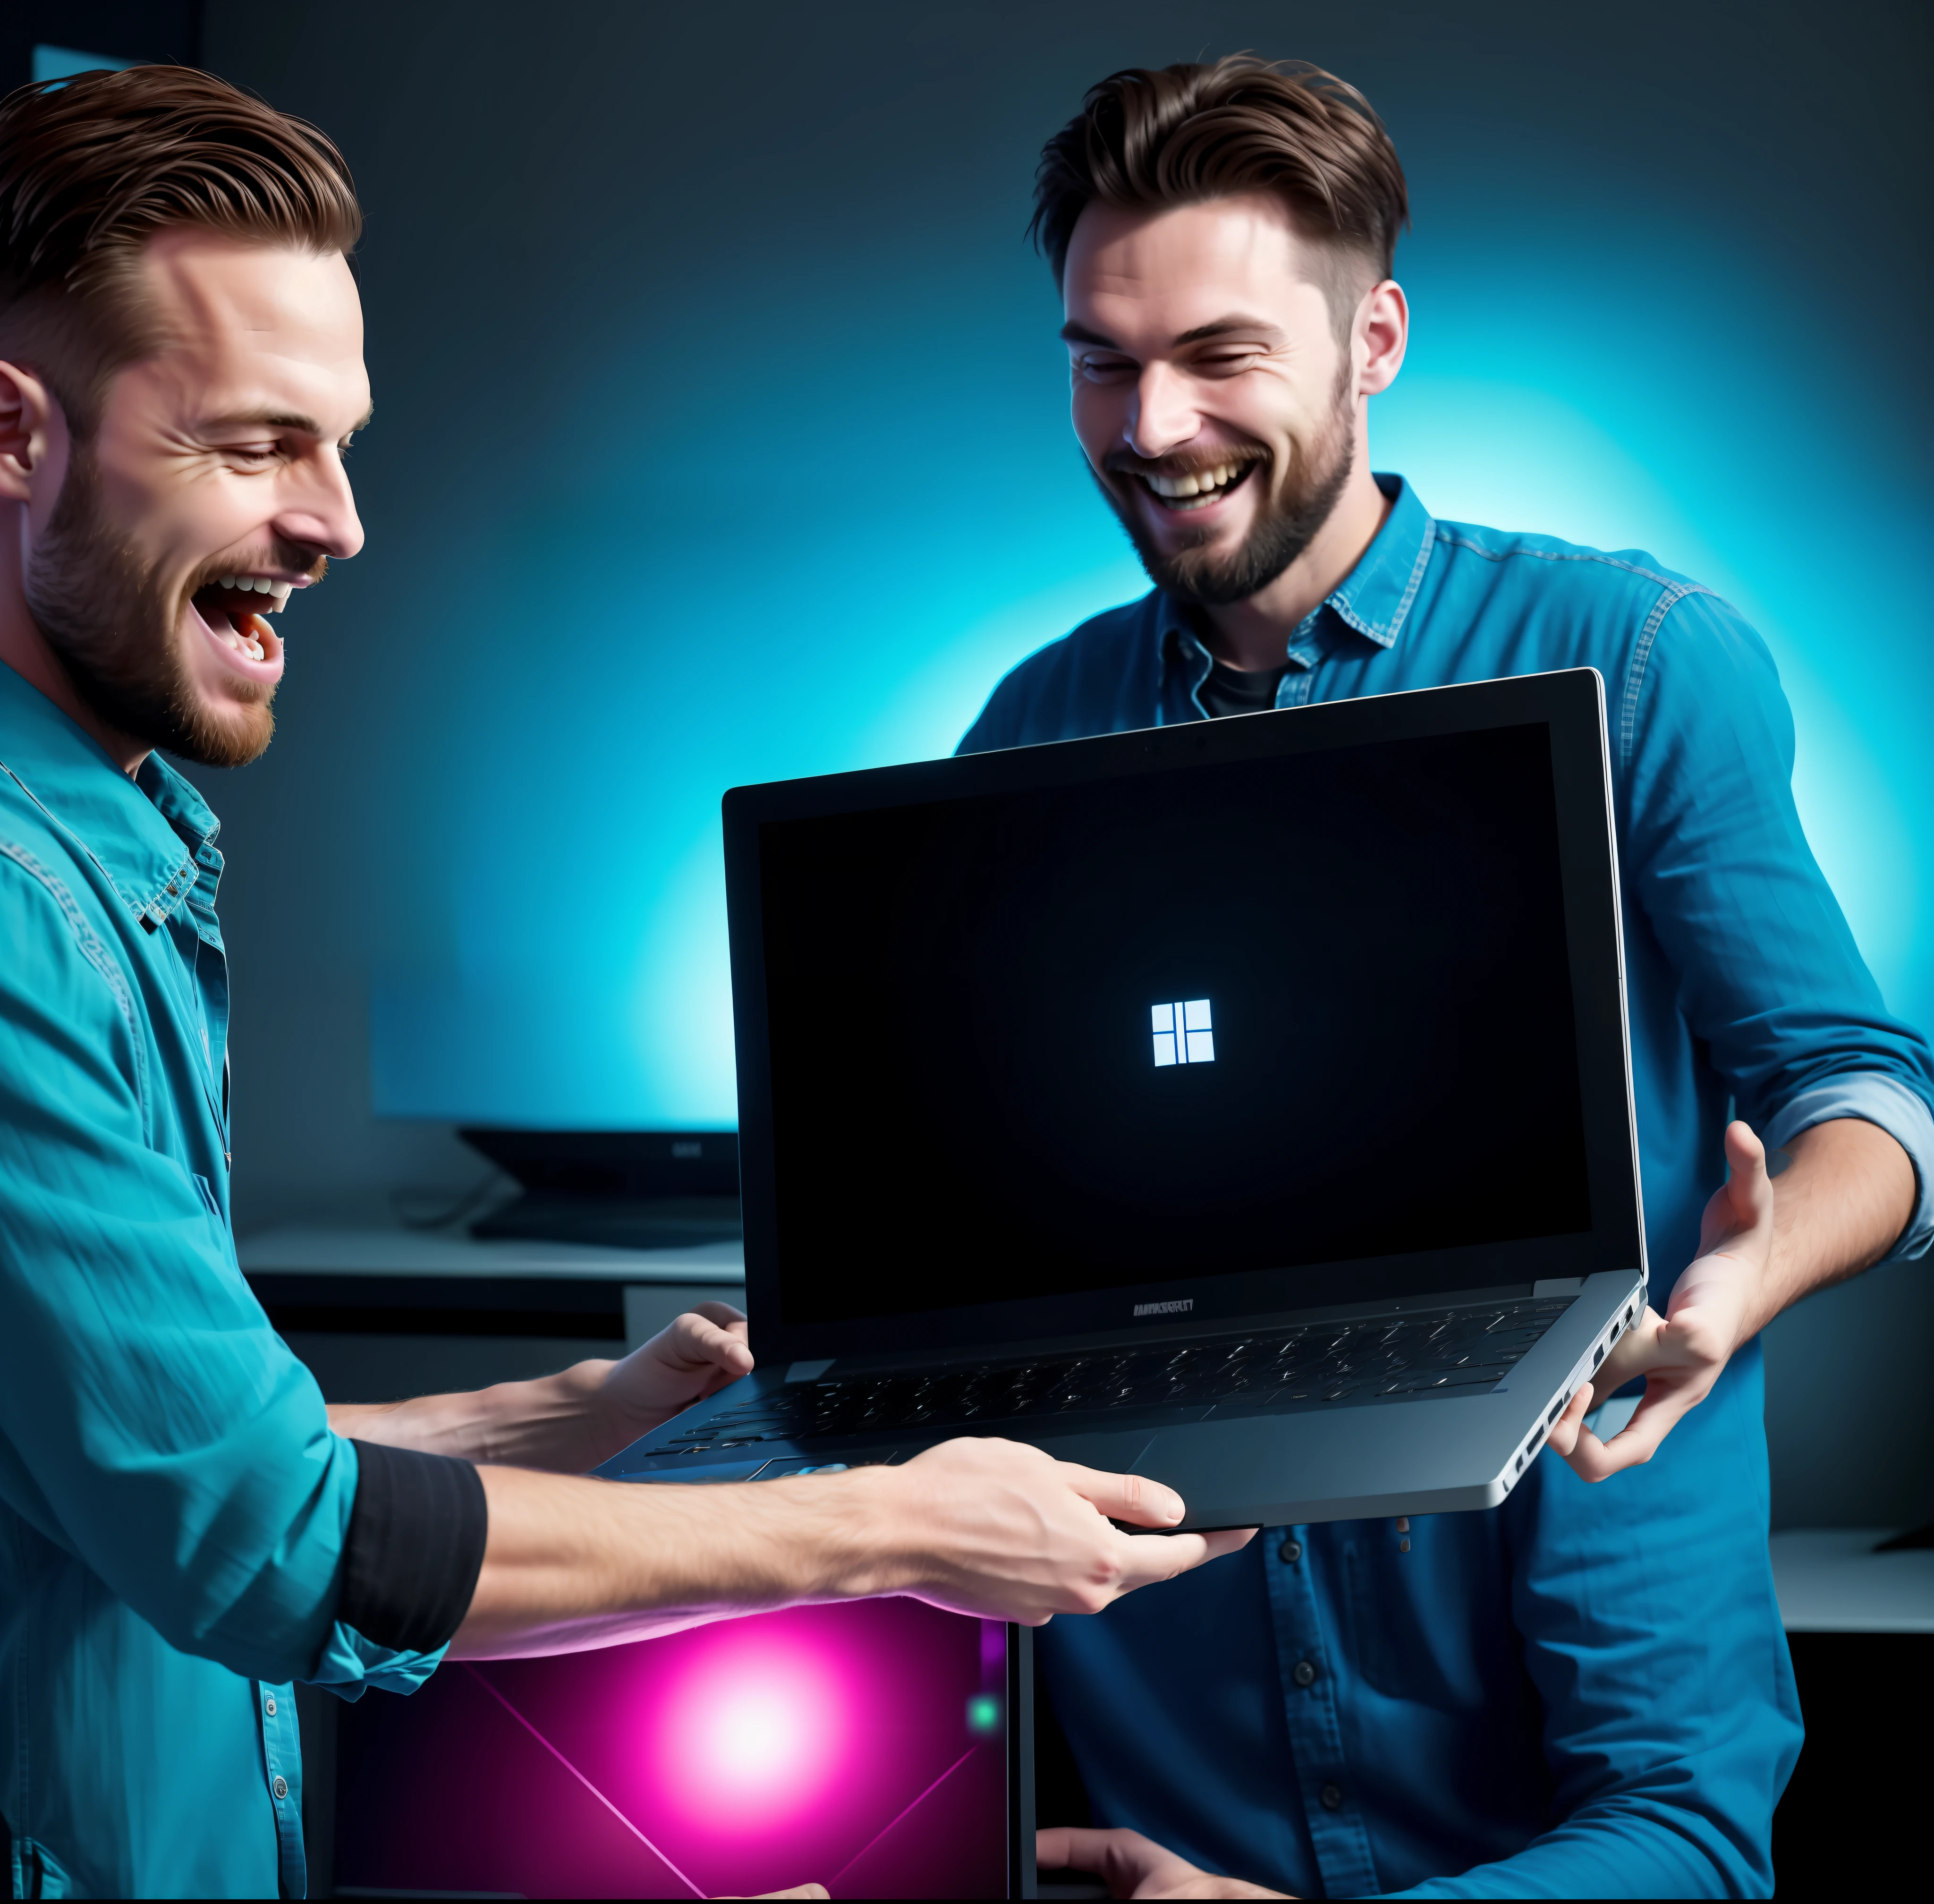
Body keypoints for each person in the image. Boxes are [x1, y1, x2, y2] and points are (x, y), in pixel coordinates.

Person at [0, 68, 1250, 1901]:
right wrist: (891, 1526)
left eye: (340, 445)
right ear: (14, 436)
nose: (341, 523)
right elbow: (269, 1546)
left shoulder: (118, 846)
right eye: (256, 445)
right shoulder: (19, 912)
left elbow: (142, 1453)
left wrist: (588, 1414)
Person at [960, 56, 1934, 1898]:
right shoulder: (1029, 730)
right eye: (1101, 356)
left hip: (1572, 1485)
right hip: (1176, 1648)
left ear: (1374, 338)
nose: (1151, 426)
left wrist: (1744, 1278)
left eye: (1220, 354)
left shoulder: (1633, 656)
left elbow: (1872, 1094)